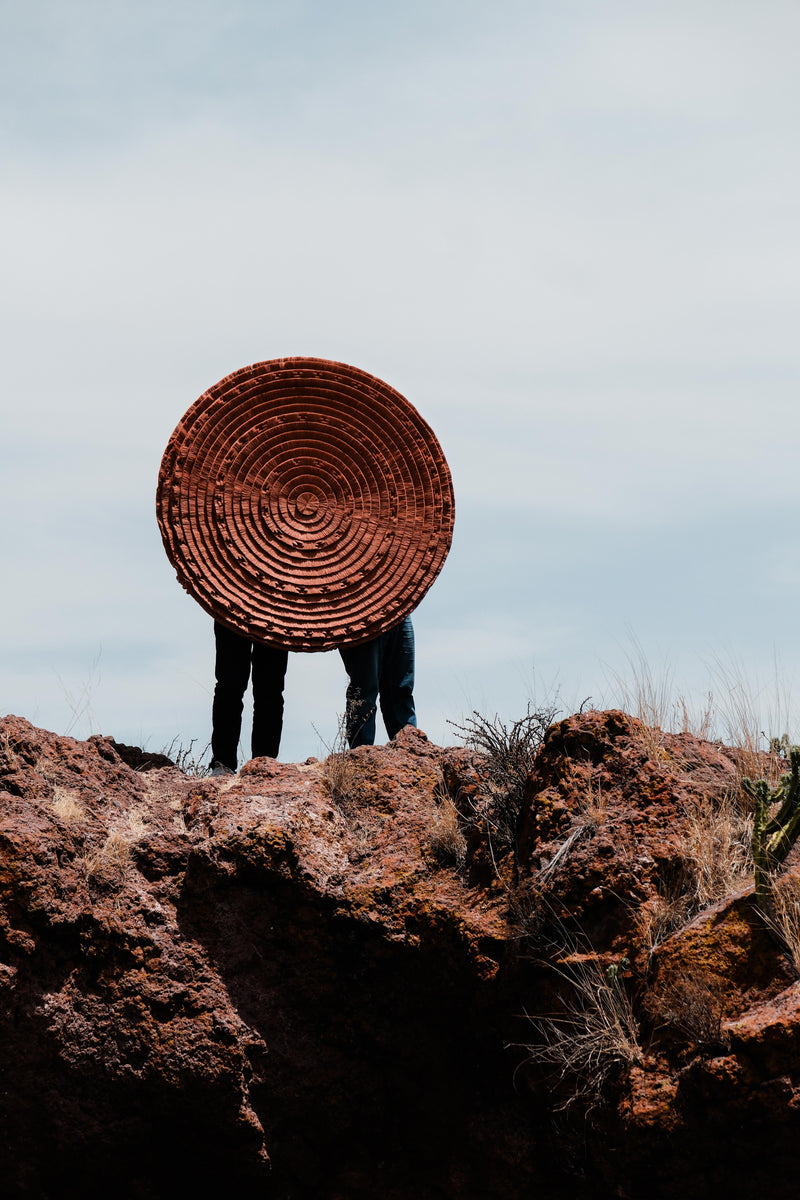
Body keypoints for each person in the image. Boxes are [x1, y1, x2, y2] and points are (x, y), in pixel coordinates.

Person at [209, 620, 288, 774]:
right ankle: (223, 764)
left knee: (270, 690)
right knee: (230, 685)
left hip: (275, 612)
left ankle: (263, 764)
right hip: (232, 606)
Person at [337, 615, 417, 748]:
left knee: (401, 691)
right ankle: (360, 760)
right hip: (361, 615)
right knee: (364, 693)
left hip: (398, 609)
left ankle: (409, 752)